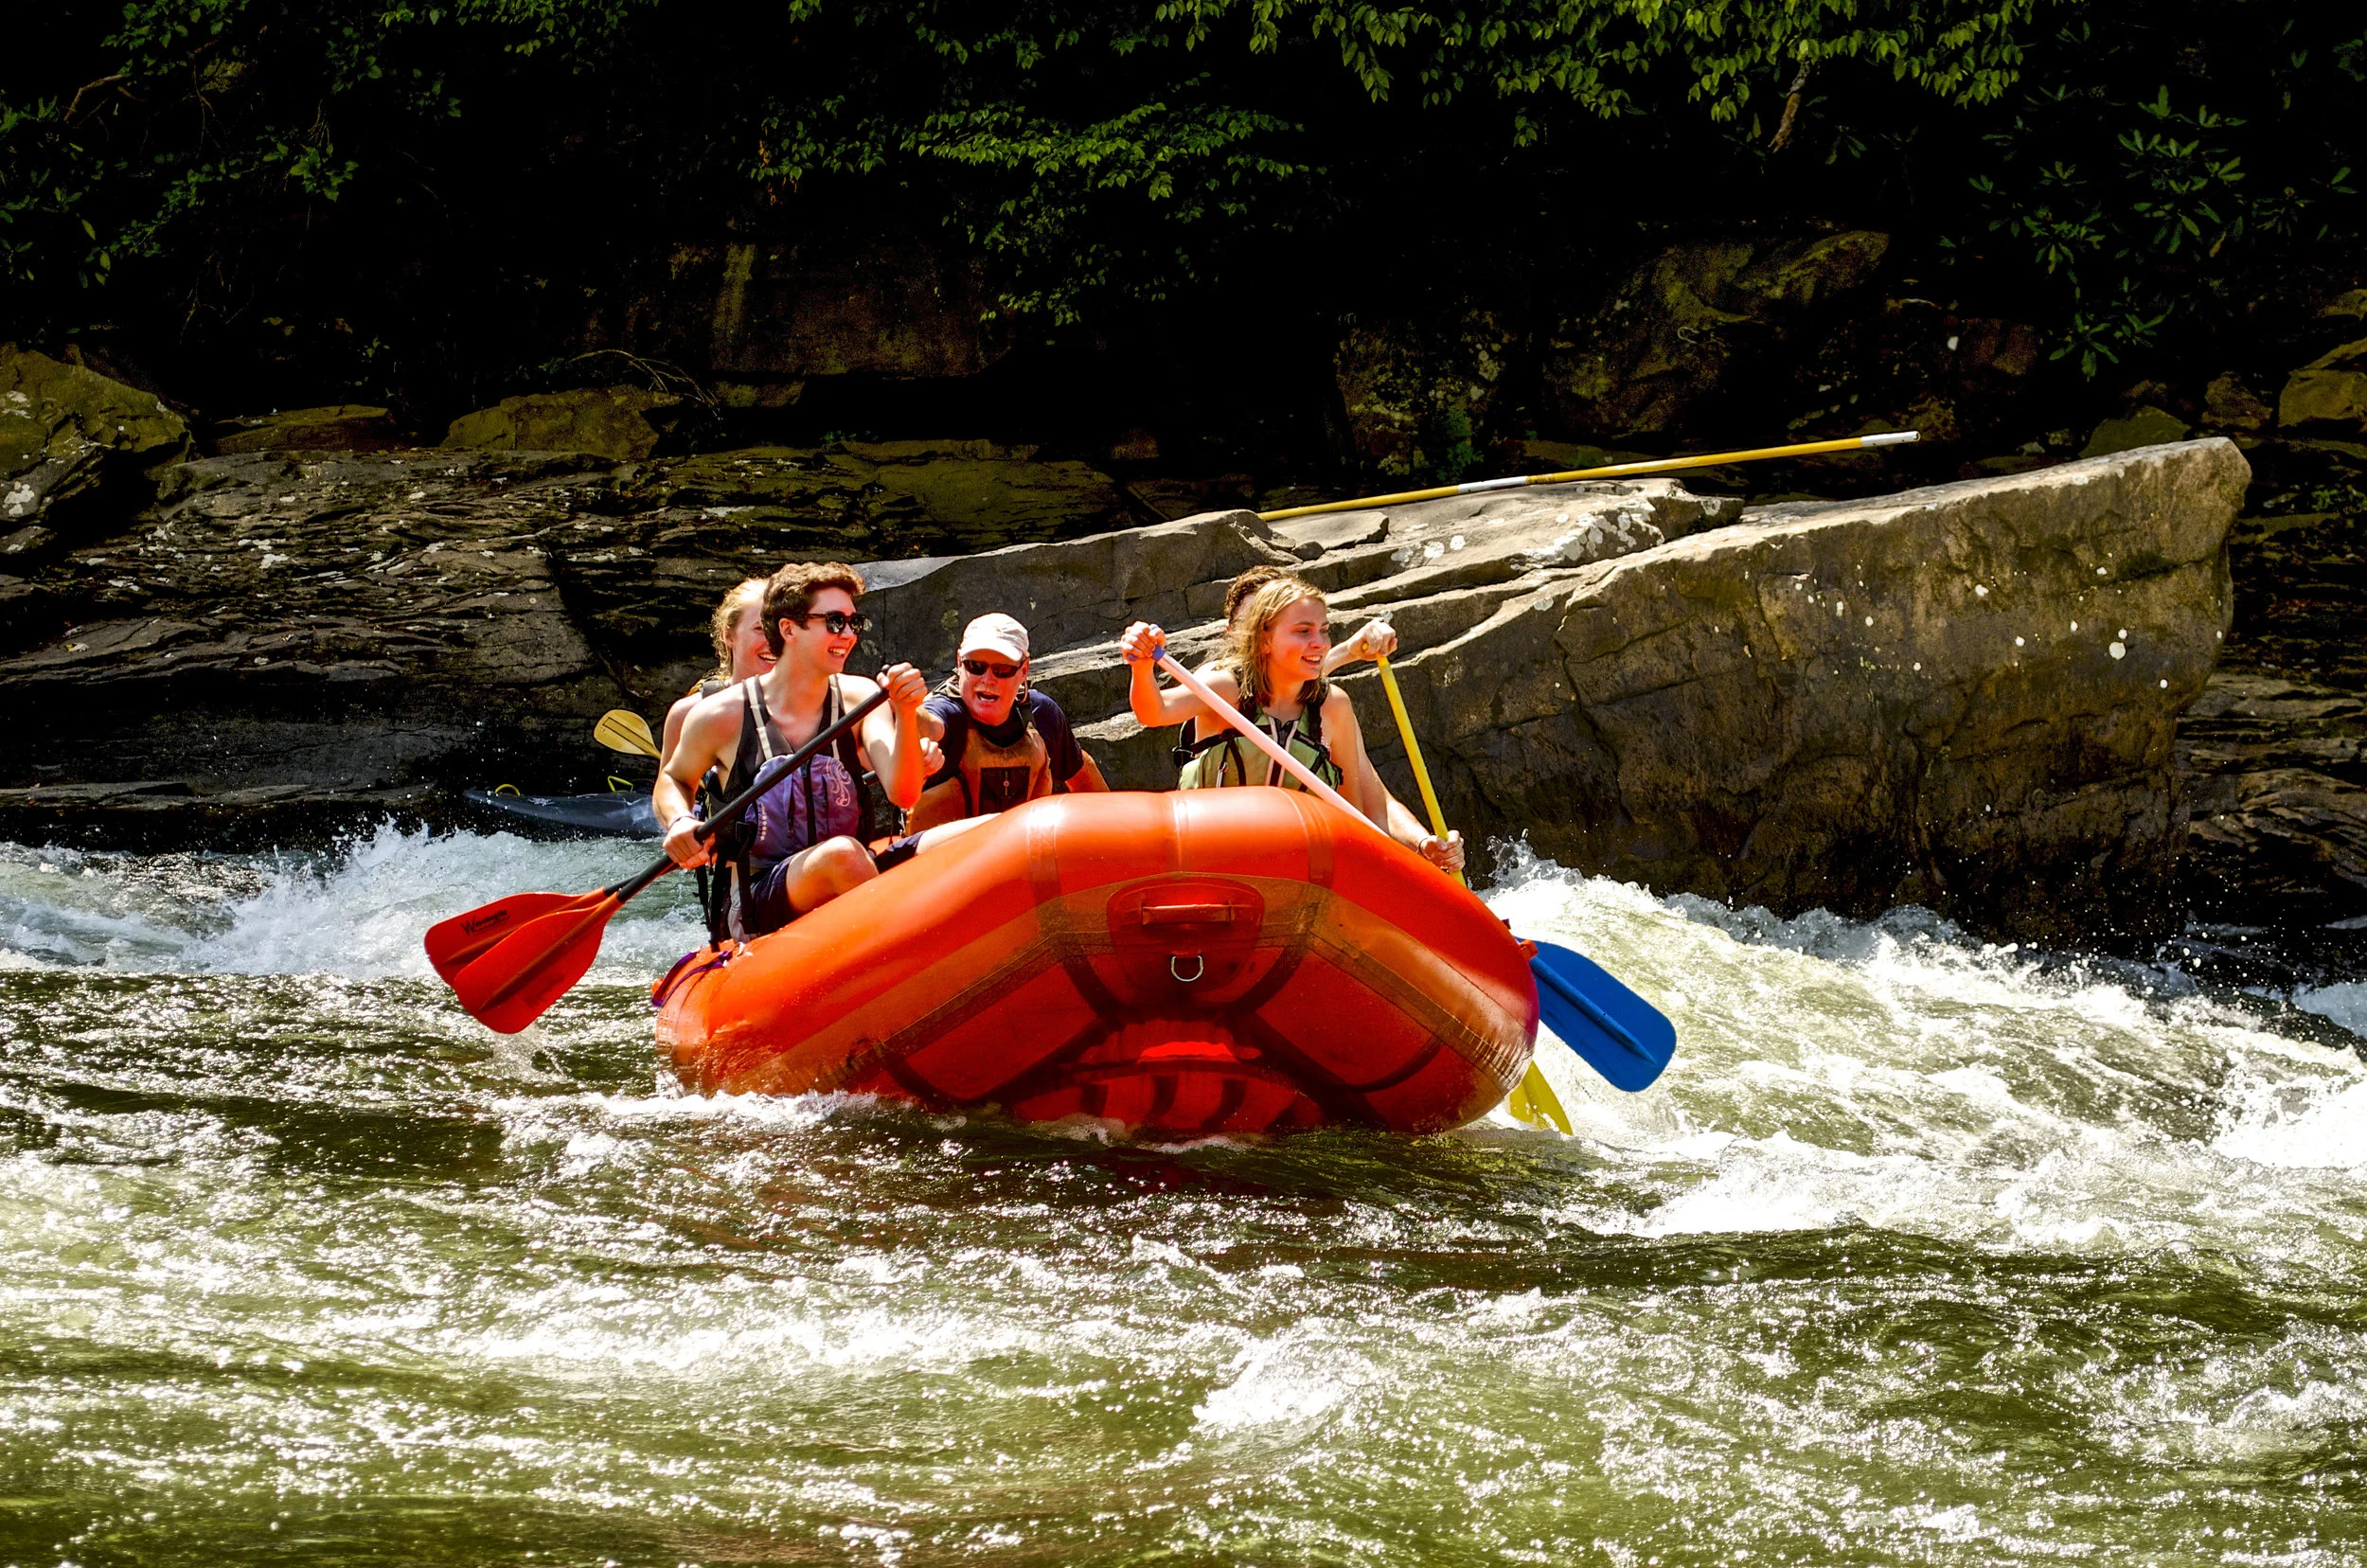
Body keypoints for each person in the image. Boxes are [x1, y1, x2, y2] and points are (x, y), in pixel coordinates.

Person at [654, 561, 972, 938]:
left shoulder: (860, 696)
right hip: (759, 893)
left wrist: (904, 712)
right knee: (841, 855)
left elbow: (903, 793)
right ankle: (914, 952)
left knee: (980, 834)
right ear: (789, 629)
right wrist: (679, 821)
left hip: (854, 865)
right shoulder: (720, 715)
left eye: (855, 623)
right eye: (835, 621)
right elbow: (674, 778)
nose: (849, 634)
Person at [1119, 577, 1462, 874]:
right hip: (1211, 859)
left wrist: (1422, 847)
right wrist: (1142, 666)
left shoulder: (1333, 706)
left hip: (1296, 873)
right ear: (1263, 640)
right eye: (1303, 631)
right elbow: (1154, 713)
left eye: (1323, 631)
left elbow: (1361, 812)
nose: (1319, 641)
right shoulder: (1226, 687)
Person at [905, 613, 1109, 831]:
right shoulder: (947, 712)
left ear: (1023, 671)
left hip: (1023, 858)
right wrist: (904, 709)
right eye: (975, 666)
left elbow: (1081, 771)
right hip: (944, 860)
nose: (987, 679)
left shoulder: (1041, 714)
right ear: (959, 663)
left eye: (1002, 670)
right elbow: (929, 725)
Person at [660, 577, 773, 769]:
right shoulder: (687, 714)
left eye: (781, 629)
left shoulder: (815, 710)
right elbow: (668, 793)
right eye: (760, 629)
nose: (773, 641)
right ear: (728, 634)